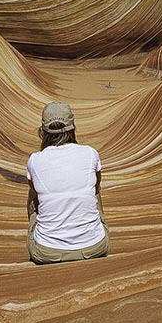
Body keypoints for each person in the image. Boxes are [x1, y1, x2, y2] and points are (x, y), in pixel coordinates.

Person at [26, 101, 109, 264]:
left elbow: (33, 201)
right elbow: (96, 188)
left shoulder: (35, 160)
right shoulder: (90, 153)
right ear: (73, 127)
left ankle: (49, 235)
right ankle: (92, 229)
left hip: (47, 252)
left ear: (43, 131)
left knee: (34, 193)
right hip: (95, 247)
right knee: (93, 189)